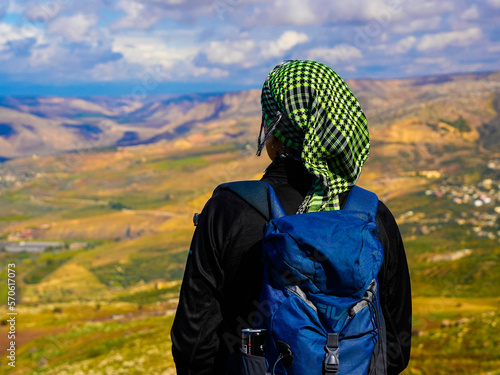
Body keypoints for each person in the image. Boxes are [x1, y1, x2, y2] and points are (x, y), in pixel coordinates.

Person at [171, 60, 412, 374]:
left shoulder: (229, 209)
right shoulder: (373, 216)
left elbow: (194, 345)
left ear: (274, 128)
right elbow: (396, 348)